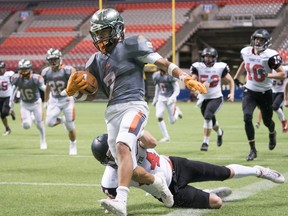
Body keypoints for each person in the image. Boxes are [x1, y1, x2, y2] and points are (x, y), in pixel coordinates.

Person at [62, 8, 206, 216]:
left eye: (104, 33)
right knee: (122, 161)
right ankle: (158, 183)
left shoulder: (132, 45)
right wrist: (74, 93)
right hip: (112, 111)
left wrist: (184, 77)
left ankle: (121, 200)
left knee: (122, 146)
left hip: (134, 105)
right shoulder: (94, 61)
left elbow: (162, 63)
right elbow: (92, 95)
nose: (101, 38)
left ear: (117, 30)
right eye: (98, 34)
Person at [91, 131, 285, 210]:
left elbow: (152, 142)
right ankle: (208, 194)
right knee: (216, 203)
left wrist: (137, 131)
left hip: (176, 164)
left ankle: (258, 171)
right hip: (171, 191)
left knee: (225, 173)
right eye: (111, 155)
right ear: (106, 161)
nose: (117, 154)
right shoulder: (110, 177)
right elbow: (111, 197)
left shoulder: (127, 140)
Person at [234, 29, 286, 161]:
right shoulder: (246, 51)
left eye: (261, 40)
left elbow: (282, 74)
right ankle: (252, 150)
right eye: (256, 39)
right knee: (247, 117)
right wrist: (236, 77)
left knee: (268, 121)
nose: (258, 41)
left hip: (265, 92)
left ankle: (272, 132)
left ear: (267, 42)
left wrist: (268, 74)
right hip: (250, 91)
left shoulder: (271, 55)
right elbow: (244, 62)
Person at [189, 47, 235, 151]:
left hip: (216, 97)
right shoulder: (198, 67)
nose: (208, 59)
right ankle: (219, 132)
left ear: (214, 58)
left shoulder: (220, 67)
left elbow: (231, 81)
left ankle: (205, 142)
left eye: (210, 57)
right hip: (203, 98)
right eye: (206, 56)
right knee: (211, 120)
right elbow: (192, 81)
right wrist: (198, 86)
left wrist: (232, 94)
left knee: (208, 116)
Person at [41, 48, 77, 155]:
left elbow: (75, 84)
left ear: (60, 58)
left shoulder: (68, 70)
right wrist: (46, 101)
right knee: (49, 123)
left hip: (67, 100)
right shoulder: (46, 72)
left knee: (70, 126)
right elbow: (48, 86)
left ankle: (73, 144)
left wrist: (69, 92)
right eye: (51, 59)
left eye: (55, 59)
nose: (53, 61)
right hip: (54, 99)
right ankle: (62, 120)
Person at [10, 59, 47, 149]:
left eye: (25, 69)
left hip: (36, 103)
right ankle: (31, 117)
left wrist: (51, 97)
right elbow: (13, 90)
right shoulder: (17, 78)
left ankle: (43, 140)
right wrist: (11, 102)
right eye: (21, 69)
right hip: (25, 104)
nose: (23, 71)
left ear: (29, 69)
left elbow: (44, 88)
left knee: (39, 124)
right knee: (26, 125)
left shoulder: (35, 78)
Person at [152, 68, 183, 142]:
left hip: (170, 98)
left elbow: (177, 89)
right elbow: (158, 88)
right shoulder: (157, 76)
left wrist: (172, 98)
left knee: (172, 121)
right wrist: (155, 99)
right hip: (161, 98)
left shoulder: (170, 76)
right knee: (159, 116)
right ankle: (166, 137)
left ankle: (177, 112)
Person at [0, 60, 15, 135]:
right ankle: (7, 128)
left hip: (7, 97)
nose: (1, 70)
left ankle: (10, 112)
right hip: (0, 97)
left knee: (4, 113)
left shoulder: (9, 74)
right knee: (2, 115)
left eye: (1, 68)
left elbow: (15, 83)